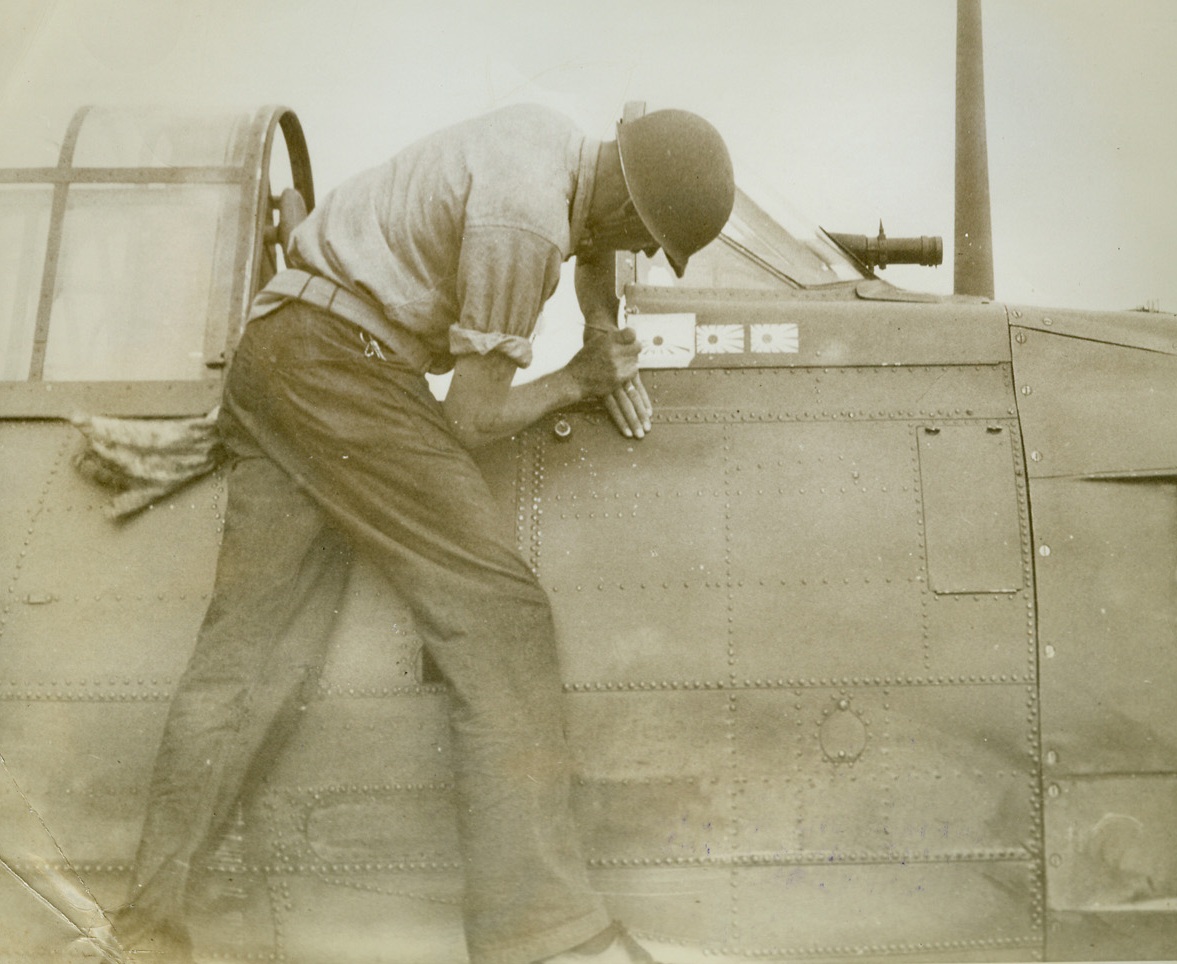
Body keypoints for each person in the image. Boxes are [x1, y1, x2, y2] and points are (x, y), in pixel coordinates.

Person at [111, 102, 734, 964]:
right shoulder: (523, 224)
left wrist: (601, 321)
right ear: (628, 205)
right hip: (347, 371)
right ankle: (542, 935)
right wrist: (577, 380)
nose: (624, 253)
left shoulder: (556, 150)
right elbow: (472, 417)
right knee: (501, 613)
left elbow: (594, 249)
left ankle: (144, 934)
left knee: (250, 663)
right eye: (639, 239)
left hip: (278, 352)